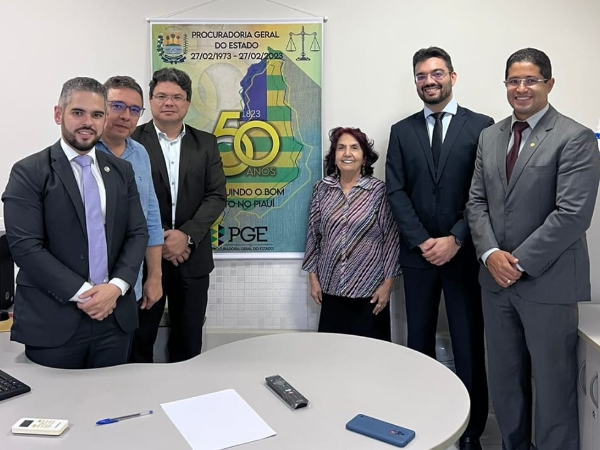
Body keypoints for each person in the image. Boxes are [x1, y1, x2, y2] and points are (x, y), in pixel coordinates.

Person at [466, 48, 600, 450]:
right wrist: (491, 255)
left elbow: (573, 214)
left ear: (549, 84)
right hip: (495, 284)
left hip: (548, 284)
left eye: (530, 80)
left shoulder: (574, 137)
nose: (521, 88)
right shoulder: (490, 136)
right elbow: (476, 202)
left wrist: (518, 262)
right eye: (513, 80)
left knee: (553, 388)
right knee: (505, 385)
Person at [385, 47, 493, 450]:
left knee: (468, 343)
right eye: (421, 75)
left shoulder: (482, 126)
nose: (429, 81)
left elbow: (485, 191)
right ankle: (423, 421)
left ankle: (471, 431)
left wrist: (456, 238)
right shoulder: (401, 130)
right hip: (418, 257)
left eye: (436, 73)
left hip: (464, 255)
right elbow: (396, 191)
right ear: (415, 81)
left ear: (452, 76)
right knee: (418, 342)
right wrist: (422, 241)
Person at [2, 77, 148, 369]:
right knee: (55, 399)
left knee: (113, 396)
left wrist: (116, 288)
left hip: (114, 318)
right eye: (78, 112)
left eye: (97, 114)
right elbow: (25, 248)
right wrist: (87, 295)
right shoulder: (29, 172)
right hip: (53, 319)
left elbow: (137, 233)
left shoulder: (121, 171)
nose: (88, 122)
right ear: (59, 114)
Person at [130, 68, 226, 363]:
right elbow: (127, 198)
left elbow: (216, 196)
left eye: (177, 97)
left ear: (187, 103)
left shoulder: (206, 143)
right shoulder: (131, 141)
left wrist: (186, 236)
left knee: (188, 342)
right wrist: (161, 238)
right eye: (161, 96)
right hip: (143, 260)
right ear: (150, 100)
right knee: (138, 340)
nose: (168, 102)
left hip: (192, 259)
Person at [302, 127, 400, 341]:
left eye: (354, 148)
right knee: (332, 352)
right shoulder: (321, 189)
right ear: (334, 156)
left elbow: (391, 240)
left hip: (370, 291)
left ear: (364, 158)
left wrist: (388, 284)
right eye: (341, 148)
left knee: (370, 354)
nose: (347, 153)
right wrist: (313, 278)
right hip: (330, 288)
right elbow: (313, 235)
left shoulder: (379, 191)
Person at [97, 76, 163, 310]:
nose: (126, 116)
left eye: (135, 110)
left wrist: (154, 276)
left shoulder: (141, 153)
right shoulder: (83, 153)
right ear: (101, 107)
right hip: (88, 288)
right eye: (117, 106)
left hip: (130, 284)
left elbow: (151, 217)